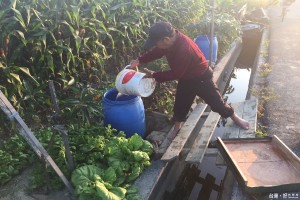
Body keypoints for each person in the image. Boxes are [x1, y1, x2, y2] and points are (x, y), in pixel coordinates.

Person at [129, 22, 250, 141]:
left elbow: (176, 73)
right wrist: (140, 60)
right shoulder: (170, 43)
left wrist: (154, 75)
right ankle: (177, 127)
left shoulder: (184, 48)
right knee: (180, 104)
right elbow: (158, 52)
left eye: (156, 43)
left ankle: (235, 117)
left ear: (165, 39)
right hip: (186, 78)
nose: (156, 46)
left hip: (201, 78)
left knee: (217, 102)